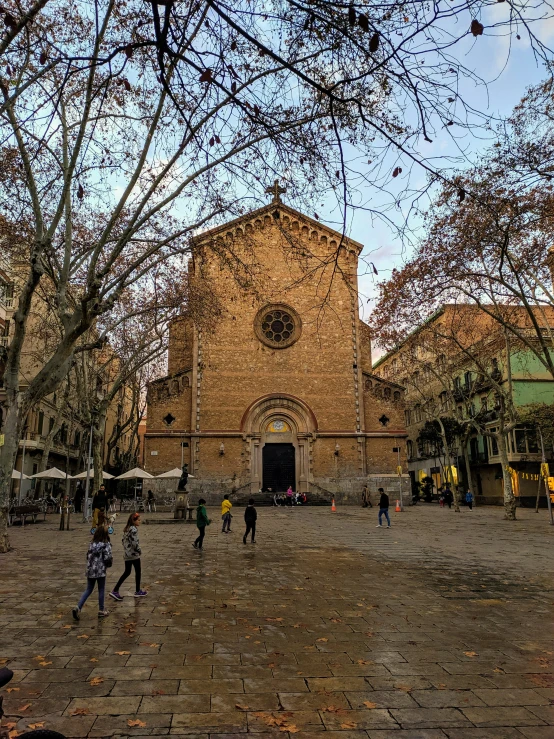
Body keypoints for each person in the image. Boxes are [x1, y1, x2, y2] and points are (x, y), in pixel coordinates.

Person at [73, 524, 113, 620]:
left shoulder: (92, 544)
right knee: (101, 589)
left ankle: (78, 607)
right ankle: (101, 610)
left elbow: (88, 556)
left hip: (90, 570)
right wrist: (108, 564)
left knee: (89, 589)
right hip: (100, 570)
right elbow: (107, 558)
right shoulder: (106, 544)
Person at [109, 513, 147, 601]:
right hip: (133, 554)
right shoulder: (133, 529)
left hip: (127, 554)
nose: (139, 522)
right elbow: (134, 543)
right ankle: (137, 590)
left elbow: (123, 541)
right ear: (134, 521)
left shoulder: (127, 529)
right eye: (138, 520)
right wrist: (139, 550)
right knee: (138, 571)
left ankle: (116, 589)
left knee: (127, 572)